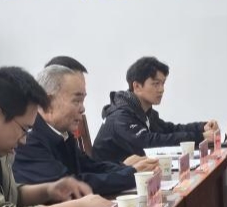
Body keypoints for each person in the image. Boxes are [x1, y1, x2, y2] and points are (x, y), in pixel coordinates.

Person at [0, 66, 114, 207]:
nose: (24, 140)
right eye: (24, 129)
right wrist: (79, 206)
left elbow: (9, 194)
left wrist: (49, 190)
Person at [13, 65, 151, 196]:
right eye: (76, 101)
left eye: (83, 101)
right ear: (48, 103)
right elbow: (70, 186)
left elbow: (90, 167)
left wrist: (126, 168)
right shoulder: (28, 140)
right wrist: (131, 174)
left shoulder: (62, 134)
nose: (83, 108)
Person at [93, 56, 219, 164]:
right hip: (112, 181)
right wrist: (200, 136)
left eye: (163, 83)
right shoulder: (120, 117)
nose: (161, 89)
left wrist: (202, 127)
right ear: (137, 86)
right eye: (156, 84)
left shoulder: (143, 110)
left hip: (132, 175)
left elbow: (168, 129)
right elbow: (149, 143)